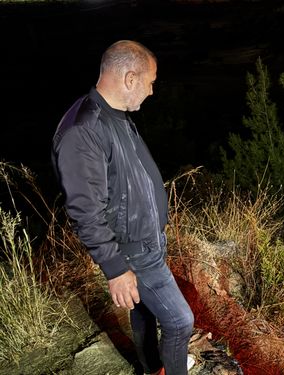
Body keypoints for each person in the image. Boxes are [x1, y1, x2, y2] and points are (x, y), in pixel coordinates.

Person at [52, 40, 194, 375]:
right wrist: (116, 269)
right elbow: (86, 212)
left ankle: (152, 367)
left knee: (143, 310)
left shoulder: (115, 114)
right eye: (151, 82)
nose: (151, 91)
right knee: (179, 321)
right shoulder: (82, 131)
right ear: (130, 79)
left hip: (147, 240)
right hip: (134, 250)